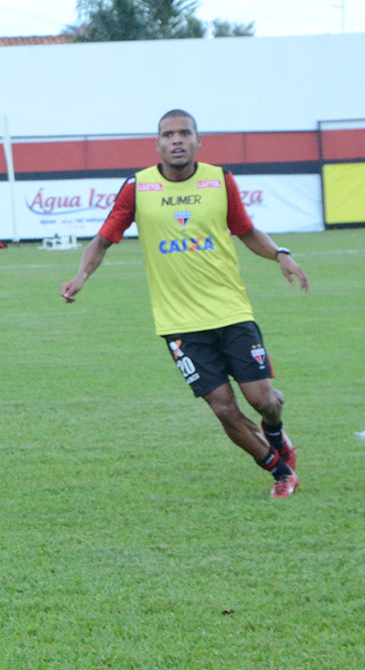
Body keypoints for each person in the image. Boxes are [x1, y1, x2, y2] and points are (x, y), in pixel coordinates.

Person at [60, 108, 307, 498]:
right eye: (168, 134)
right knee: (223, 408)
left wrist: (280, 254)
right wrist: (81, 276)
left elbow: (245, 230)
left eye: (184, 133)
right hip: (179, 324)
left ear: (198, 140)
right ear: (158, 143)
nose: (176, 140)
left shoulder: (220, 180)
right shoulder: (138, 187)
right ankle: (279, 470)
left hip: (231, 311)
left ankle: (275, 431)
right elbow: (103, 239)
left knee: (264, 400)